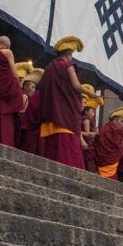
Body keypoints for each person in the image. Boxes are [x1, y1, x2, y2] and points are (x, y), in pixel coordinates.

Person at [36, 36, 97, 169]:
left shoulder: (50, 67)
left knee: (53, 145)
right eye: (71, 54)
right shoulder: (67, 65)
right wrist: (91, 94)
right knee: (67, 147)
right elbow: (76, 86)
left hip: (52, 112)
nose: (71, 57)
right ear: (69, 54)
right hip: (65, 113)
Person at [94, 107, 123, 179]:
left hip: (100, 163)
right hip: (110, 164)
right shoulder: (117, 132)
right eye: (122, 121)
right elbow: (117, 150)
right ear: (115, 120)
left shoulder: (103, 129)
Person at [81, 85, 104, 172]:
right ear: (86, 111)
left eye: (94, 112)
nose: (94, 114)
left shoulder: (86, 119)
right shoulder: (86, 120)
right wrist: (96, 133)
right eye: (92, 111)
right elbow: (88, 136)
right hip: (87, 147)